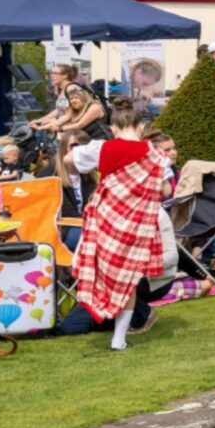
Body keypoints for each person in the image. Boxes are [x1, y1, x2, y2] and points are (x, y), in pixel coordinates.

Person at [63, 100, 165, 349]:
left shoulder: (101, 148)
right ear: (141, 126)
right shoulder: (155, 155)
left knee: (103, 272)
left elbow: (67, 159)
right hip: (136, 226)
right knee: (127, 280)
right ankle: (118, 339)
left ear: (113, 127)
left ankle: (101, 315)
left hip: (107, 220)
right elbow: (164, 187)